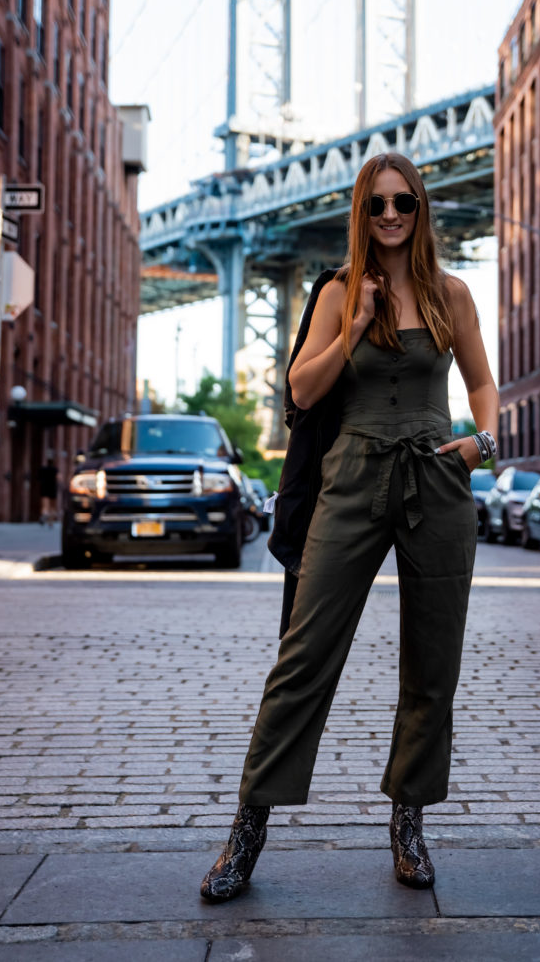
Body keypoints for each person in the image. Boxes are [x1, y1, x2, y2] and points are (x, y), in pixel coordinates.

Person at [200, 152, 499, 903]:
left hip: (436, 478)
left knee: (432, 665)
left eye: (404, 203)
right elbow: (301, 387)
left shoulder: (452, 293)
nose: (392, 215)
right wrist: (357, 323)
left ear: (421, 208)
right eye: (378, 205)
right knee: (303, 659)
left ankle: (407, 822)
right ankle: (247, 831)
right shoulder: (338, 291)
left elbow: (482, 382)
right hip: (352, 476)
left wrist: (481, 443)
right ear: (360, 213)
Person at [38, 457, 58, 527]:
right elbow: (59, 478)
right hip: (52, 488)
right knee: (52, 507)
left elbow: (38, 478)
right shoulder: (55, 470)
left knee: (45, 506)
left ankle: (45, 514)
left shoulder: (43, 469)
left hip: (44, 488)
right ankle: (51, 522)